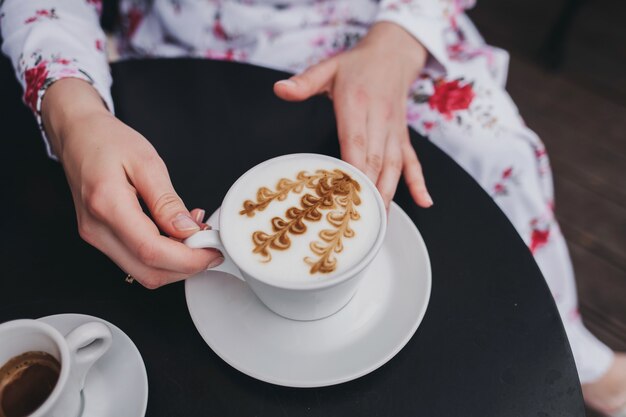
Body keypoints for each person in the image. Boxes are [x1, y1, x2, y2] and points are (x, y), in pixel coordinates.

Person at [0, 0, 624, 414]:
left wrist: (400, 40)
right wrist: (73, 110)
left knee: (495, 149)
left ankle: (568, 339)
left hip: (377, 24)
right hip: (186, 40)